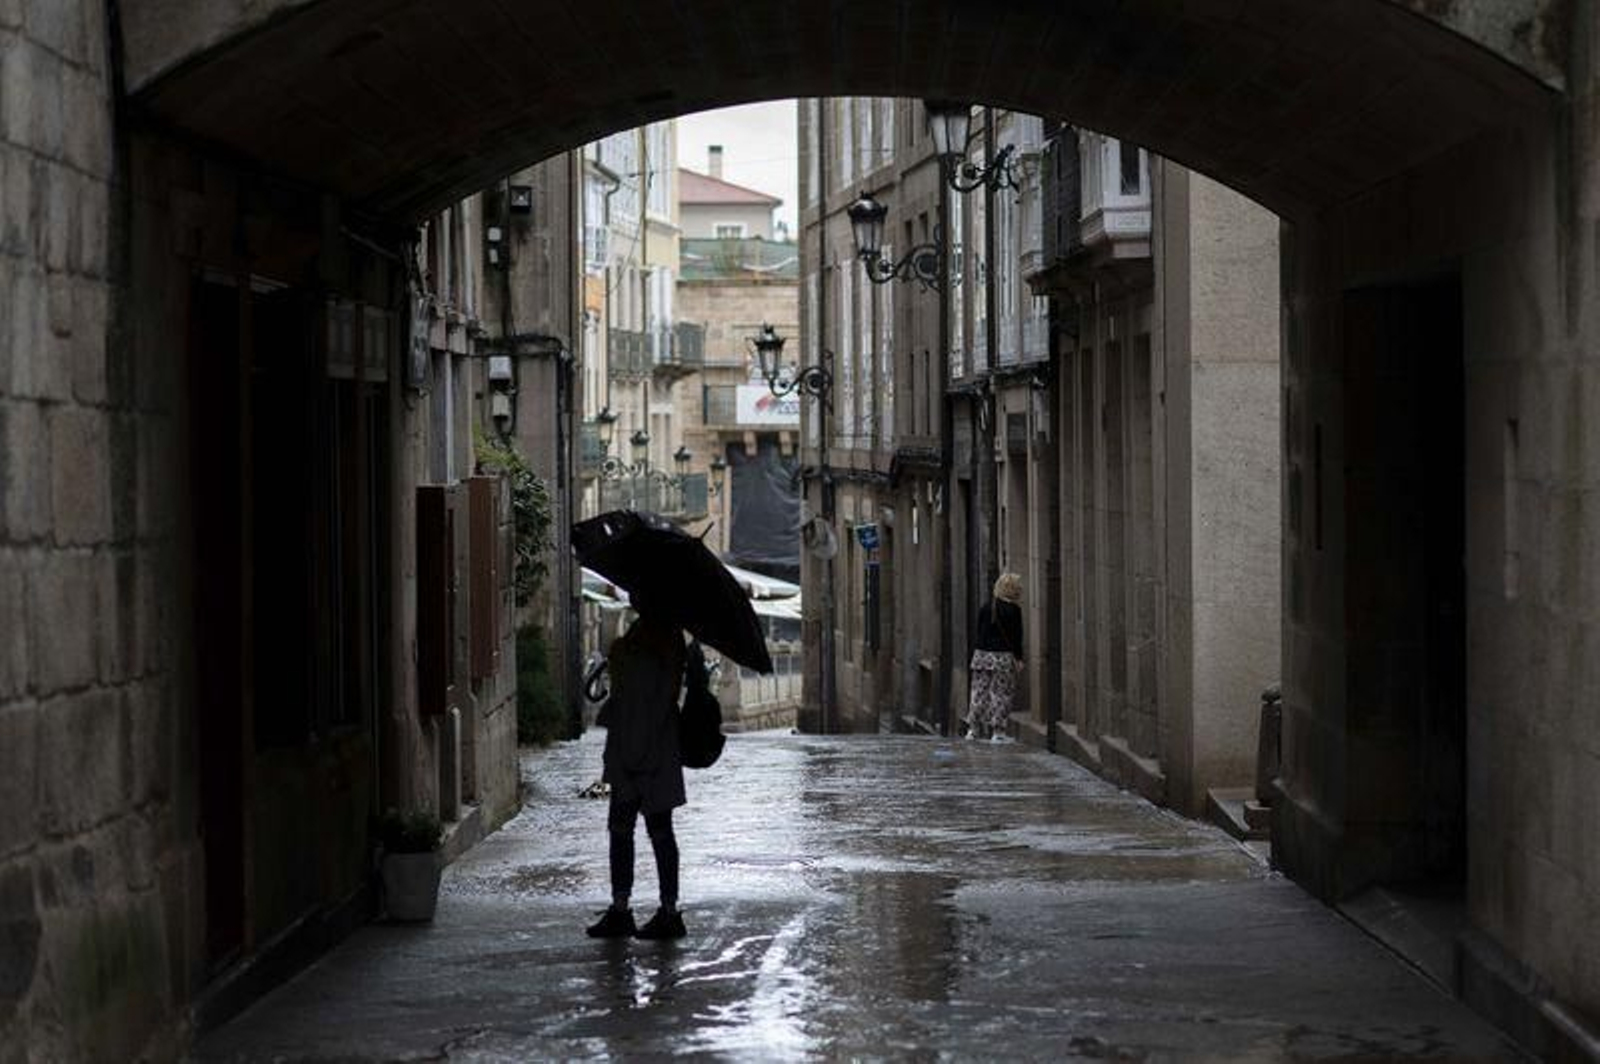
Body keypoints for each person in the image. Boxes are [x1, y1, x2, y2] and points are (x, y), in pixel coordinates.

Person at [587, 593, 690, 940]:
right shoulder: (638, 635)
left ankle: (668, 910)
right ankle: (622, 908)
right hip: (628, 752)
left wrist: (638, 753)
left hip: (651, 753)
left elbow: (659, 699)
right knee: (620, 829)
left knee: (658, 832)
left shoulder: (668, 642)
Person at [965, 572, 1025, 742]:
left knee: (978, 693)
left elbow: (979, 631)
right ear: (1013, 590)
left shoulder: (986, 606)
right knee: (1001, 694)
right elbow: (1016, 637)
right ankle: (997, 732)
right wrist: (1019, 658)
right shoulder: (1014, 610)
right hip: (1002, 658)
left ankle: (973, 729)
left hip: (981, 655)